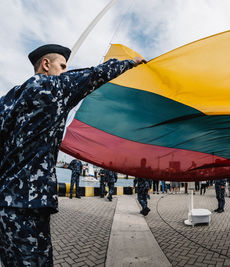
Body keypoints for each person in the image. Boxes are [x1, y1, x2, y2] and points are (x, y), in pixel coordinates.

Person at [0, 44, 146, 265]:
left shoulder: (11, 98)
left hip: (3, 205)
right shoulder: (52, 88)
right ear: (46, 64)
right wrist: (129, 63)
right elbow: (94, 75)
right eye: (62, 66)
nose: (64, 72)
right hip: (28, 205)